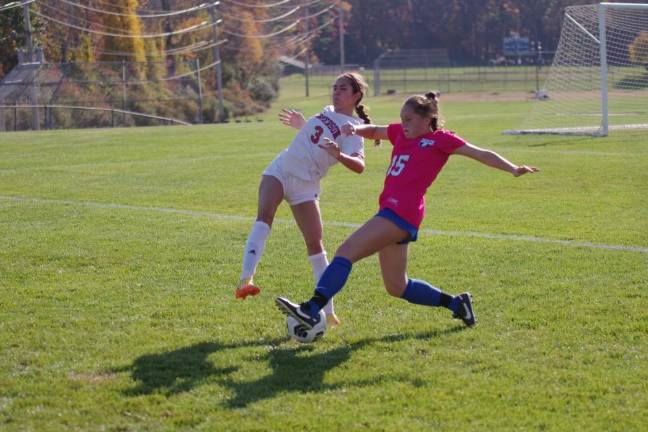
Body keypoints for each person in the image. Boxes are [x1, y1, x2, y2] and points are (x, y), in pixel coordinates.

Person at [275, 91, 539, 329]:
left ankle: (311, 308)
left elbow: (480, 153)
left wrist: (513, 168)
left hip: (400, 213)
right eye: (402, 119)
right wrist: (354, 130)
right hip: (397, 215)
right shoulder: (401, 133)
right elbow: (376, 130)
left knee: (345, 253)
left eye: (409, 120)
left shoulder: (440, 140)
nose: (404, 124)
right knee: (396, 286)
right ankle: (457, 304)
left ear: (428, 119)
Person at [237, 72, 375, 327]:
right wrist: (303, 124)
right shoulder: (325, 110)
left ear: (356, 96)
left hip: (306, 185)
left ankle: (329, 311)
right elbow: (316, 137)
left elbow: (359, 166)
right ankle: (246, 279)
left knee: (315, 242)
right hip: (281, 169)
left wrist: (338, 154)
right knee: (265, 216)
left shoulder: (353, 130)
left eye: (342, 89)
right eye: (334, 87)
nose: (336, 92)